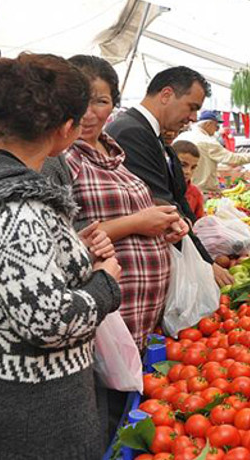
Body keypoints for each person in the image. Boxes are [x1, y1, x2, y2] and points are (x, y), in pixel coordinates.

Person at [0, 53, 122, 459]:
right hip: (36, 405)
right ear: (65, 129)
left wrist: (73, 251)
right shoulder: (16, 207)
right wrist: (106, 282)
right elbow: (48, 321)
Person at [64, 55, 182, 350]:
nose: (89, 113)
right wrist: (139, 223)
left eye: (101, 101)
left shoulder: (111, 151)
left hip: (141, 312)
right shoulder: (63, 157)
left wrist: (165, 221)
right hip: (107, 314)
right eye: (79, 100)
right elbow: (66, 238)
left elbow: (129, 209)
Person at [105, 67, 234, 286]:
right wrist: (205, 262)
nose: (193, 118)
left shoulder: (150, 134)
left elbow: (177, 199)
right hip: (133, 269)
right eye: (192, 108)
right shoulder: (132, 132)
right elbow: (162, 203)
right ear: (166, 95)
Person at [176, 111, 250, 193]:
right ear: (208, 124)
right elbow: (233, 159)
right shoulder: (207, 141)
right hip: (202, 190)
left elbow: (202, 162)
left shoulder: (182, 136)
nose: (216, 130)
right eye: (216, 126)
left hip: (181, 188)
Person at [173, 139, 206, 220]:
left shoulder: (195, 193)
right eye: (183, 165)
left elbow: (199, 223)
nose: (188, 172)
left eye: (193, 167)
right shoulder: (160, 189)